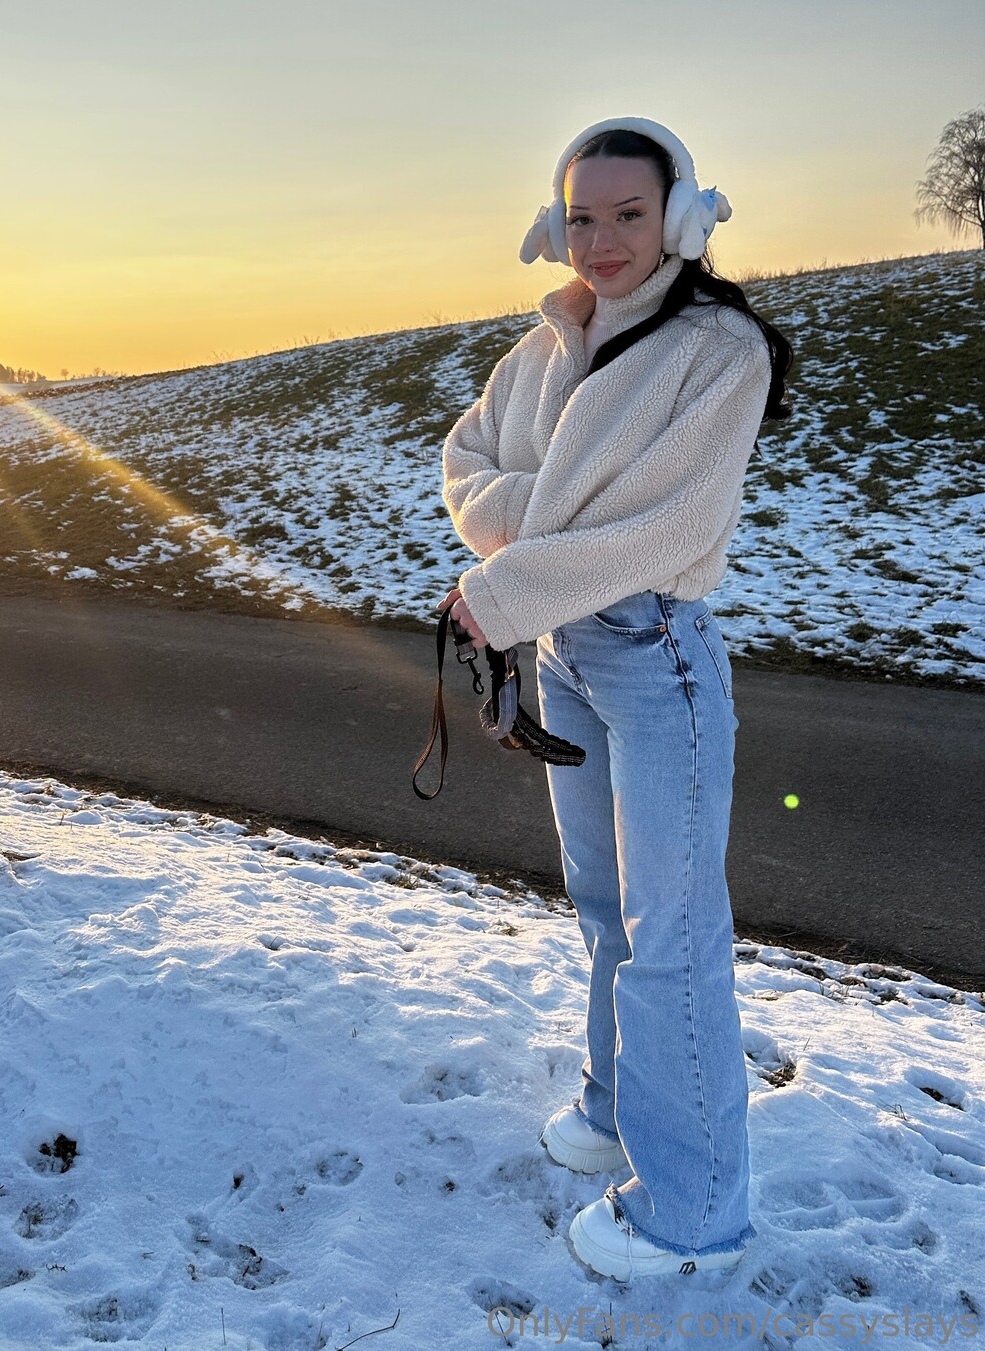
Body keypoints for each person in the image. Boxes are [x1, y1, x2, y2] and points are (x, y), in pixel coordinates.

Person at [436, 116, 793, 1281]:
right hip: (564, 652)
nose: (603, 239)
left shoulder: (719, 352)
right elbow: (465, 465)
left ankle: (694, 1212)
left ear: (678, 216)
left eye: (629, 214)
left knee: (671, 935)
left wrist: (508, 580)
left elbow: (666, 529)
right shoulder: (536, 353)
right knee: (604, 908)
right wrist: (547, 537)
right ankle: (613, 1109)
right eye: (582, 216)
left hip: (656, 658)